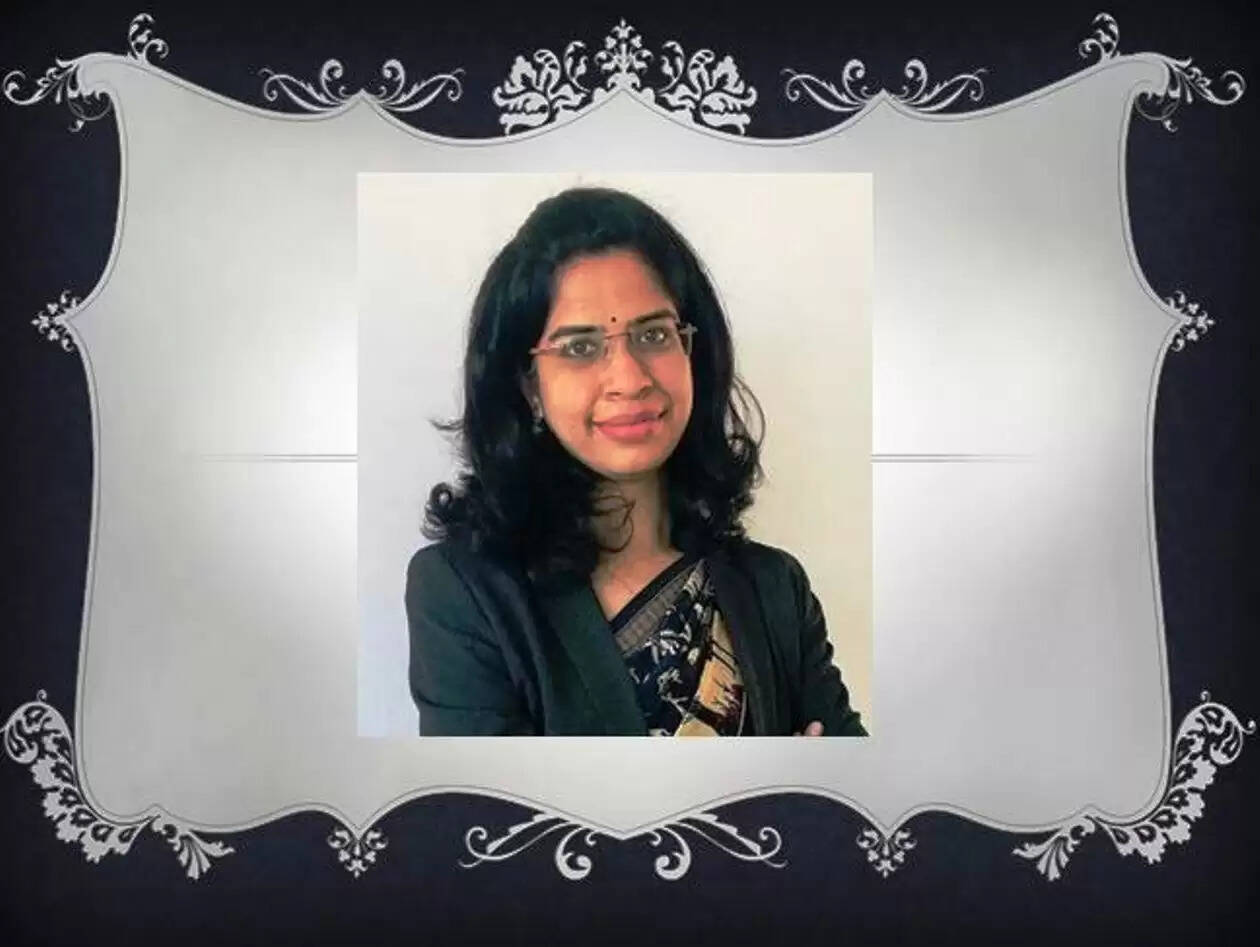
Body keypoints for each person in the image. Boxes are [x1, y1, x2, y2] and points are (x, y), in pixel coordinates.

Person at [406, 186, 865, 737]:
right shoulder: (465, 593)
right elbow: (488, 794)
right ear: (529, 386)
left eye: (653, 334)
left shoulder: (774, 589)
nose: (629, 378)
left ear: (691, 351)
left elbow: (853, 780)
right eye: (580, 347)